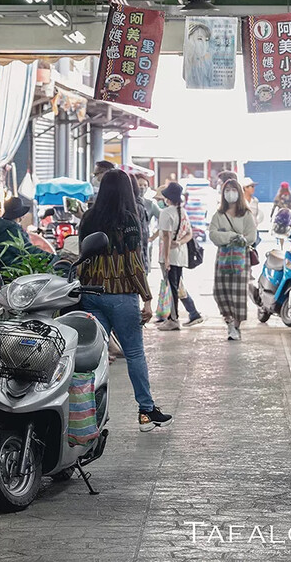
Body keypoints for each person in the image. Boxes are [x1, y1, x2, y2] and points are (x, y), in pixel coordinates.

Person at [77, 169, 172, 432]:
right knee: (134, 353)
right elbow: (133, 262)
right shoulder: (128, 219)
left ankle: (85, 414)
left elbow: (82, 254)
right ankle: (146, 411)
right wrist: (147, 298)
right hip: (120, 294)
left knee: (93, 357)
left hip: (91, 294)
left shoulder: (88, 217)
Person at [209, 179, 257, 341]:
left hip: (240, 260)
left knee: (238, 294)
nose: (230, 193)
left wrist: (237, 239)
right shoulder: (218, 215)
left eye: (233, 189)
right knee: (220, 291)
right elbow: (213, 235)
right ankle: (229, 321)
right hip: (222, 260)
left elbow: (251, 237)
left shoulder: (246, 214)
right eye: (227, 190)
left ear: (239, 192)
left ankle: (235, 325)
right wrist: (232, 236)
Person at [157, 182, 196, 331]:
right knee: (175, 286)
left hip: (170, 256)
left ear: (168, 198)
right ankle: (173, 318)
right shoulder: (183, 212)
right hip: (180, 255)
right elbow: (189, 234)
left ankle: (173, 319)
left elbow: (166, 237)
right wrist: (179, 242)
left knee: (171, 288)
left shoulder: (166, 213)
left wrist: (166, 259)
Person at [0, 197, 50, 268]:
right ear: (19, 216)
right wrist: (50, 257)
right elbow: (28, 250)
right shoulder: (12, 230)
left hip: (0, 267)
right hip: (14, 269)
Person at [184, 22, 213, 89]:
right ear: (189, 40)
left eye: (206, 40)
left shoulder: (208, 64)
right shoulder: (187, 65)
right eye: (199, 39)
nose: (204, 43)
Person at [241, 177, 264, 246]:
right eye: (252, 186)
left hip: (253, 231)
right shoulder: (240, 201)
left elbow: (256, 215)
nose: (253, 189)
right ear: (245, 188)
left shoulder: (255, 201)